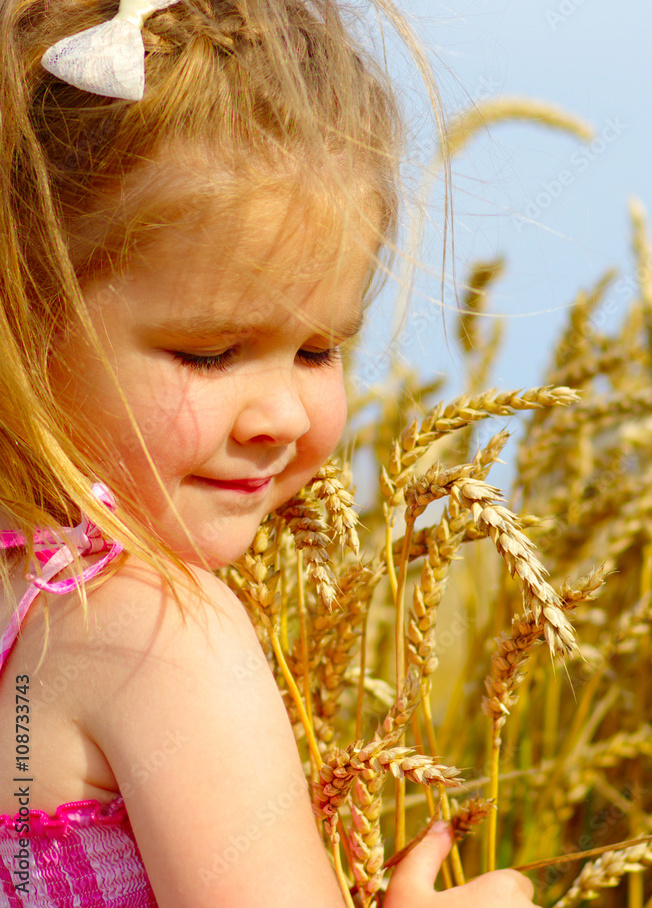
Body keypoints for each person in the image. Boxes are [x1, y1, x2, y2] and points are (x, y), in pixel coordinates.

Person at [0, 0, 539, 905]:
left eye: (320, 350)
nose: (283, 415)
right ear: (18, 315)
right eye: (209, 352)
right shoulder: (161, 636)